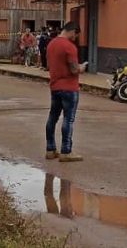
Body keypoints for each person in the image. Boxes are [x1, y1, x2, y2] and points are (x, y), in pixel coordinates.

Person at [45, 22, 86, 163]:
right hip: (69, 87)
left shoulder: (51, 45)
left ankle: (50, 149)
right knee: (68, 119)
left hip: (55, 86)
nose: (75, 38)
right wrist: (82, 67)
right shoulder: (69, 47)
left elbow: (49, 65)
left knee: (52, 118)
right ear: (72, 31)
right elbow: (74, 69)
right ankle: (66, 151)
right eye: (75, 35)